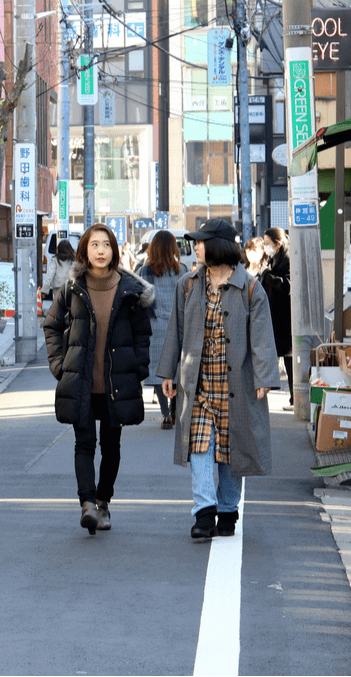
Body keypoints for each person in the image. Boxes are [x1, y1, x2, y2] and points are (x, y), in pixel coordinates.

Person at [158, 219, 280, 539]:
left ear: (218, 246)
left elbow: (263, 338)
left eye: (200, 242)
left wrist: (264, 377)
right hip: (196, 385)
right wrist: (168, 372)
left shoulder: (250, 287)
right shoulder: (188, 283)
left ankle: (227, 509)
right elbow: (176, 331)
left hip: (235, 386)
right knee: (199, 446)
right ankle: (204, 511)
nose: (195, 247)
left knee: (230, 449)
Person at [43, 223, 153, 535]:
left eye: (106, 245)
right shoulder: (72, 286)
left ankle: (103, 501)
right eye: (94, 245)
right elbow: (51, 326)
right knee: (84, 443)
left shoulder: (130, 289)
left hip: (116, 383)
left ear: (114, 250)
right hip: (81, 382)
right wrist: (60, 366)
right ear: (85, 251)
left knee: (112, 445)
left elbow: (143, 334)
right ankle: (87, 504)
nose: (100, 251)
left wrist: (138, 367)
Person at [137, 230, 186, 430]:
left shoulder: (146, 270)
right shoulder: (182, 270)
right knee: (175, 367)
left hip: (155, 325)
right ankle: (175, 408)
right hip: (178, 324)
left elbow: (141, 298)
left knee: (159, 369)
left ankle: (165, 414)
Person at [260, 227, 293, 410]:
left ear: (278, 244)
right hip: (275, 314)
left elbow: (286, 285)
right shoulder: (275, 258)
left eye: (267, 243)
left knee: (289, 358)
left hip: (284, 316)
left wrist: (267, 274)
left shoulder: (287, 259)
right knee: (279, 356)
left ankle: (295, 398)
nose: (266, 246)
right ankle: (291, 397)